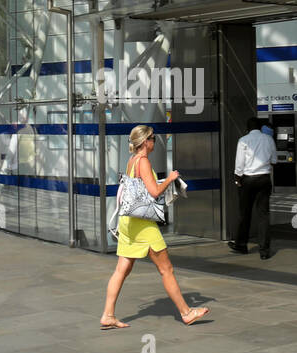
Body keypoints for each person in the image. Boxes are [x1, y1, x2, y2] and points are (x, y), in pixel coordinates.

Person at [101, 124, 209, 330]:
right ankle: (187, 313)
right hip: (143, 226)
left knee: (121, 269)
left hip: (128, 222)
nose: (155, 141)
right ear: (144, 142)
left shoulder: (132, 161)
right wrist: (170, 179)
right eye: (152, 138)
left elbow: (138, 189)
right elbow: (153, 193)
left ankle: (108, 315)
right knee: (166, 268)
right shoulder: (143, 161)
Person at [229, 117, 276, 260]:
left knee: (245, 213)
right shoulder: (268, 139)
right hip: (264, 179)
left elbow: (239, 164)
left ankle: (241, 245)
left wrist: (238, 179)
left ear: (247, 128)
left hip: (248, 180)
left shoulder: (243, 140)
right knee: (263, 215)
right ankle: (264, 251)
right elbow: (274, 161)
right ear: (260, 128)